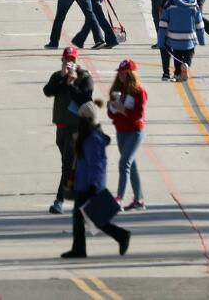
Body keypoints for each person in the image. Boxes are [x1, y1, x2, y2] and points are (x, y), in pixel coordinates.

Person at [63, 102, 130, 259]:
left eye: (80, 117)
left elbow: (97, 164)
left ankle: (119, 236)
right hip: (83, 183)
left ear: (87, 118)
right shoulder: (87, 135)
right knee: (85, 217)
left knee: (88, 217)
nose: (78, 119)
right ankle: (118, 236)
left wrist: (94, 184)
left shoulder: (93, 138)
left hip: (89, 184)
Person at [45, 47, 94, 213]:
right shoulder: (58, 76)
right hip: (61, 127)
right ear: (62, 60)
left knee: (67, 165)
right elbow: (48, 91)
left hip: (77, 128)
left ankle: (59, 201)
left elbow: (85, 99)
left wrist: (72, 83)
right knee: (72, 165)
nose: (70, 63)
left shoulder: (84, 77)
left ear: (77, 61)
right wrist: (62, 78)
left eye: (72, 60)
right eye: (67, 60)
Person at [106, 60, 147, 211]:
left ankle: (119, 198)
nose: (121, 76)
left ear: (131, 74)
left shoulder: (139, 91)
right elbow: (110, 113)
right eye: (120, 73)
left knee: (124, 163)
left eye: (124, 73)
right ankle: (139, 199)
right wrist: (113, 106)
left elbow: (139, 115)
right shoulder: (117, 89)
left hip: (135, 132)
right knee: (131, 164)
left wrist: (122, 109)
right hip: (121, 131)